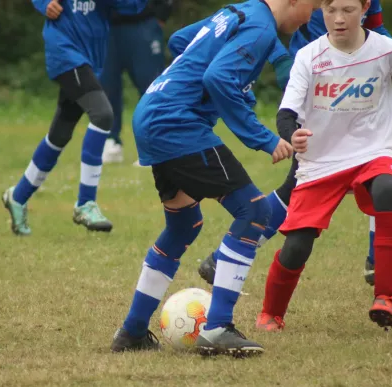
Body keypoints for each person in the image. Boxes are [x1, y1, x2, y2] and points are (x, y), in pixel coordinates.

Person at [110, 0, 319, 356]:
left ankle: (131, 332)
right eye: (313, 7)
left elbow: (180, 41)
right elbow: (218, 77)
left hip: (152, 112)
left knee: (183, 225)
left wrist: (216, 86)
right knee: (254, 212)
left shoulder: (240, 10)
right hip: (177, 123)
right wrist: (265, 139)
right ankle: (218, 327)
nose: (312, 16)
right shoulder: (261, 26)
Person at [198, 0, 392, 287]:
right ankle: (225, 256)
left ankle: (381, 260)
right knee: (297, 186)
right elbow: (269, 18)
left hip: (354, 77)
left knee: (388, 159)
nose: (339, 17)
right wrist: (281, 59)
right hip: (317, 77)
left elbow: (373, 26)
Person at [254, 0, 392, 332]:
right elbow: (286, 113)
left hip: (376, 149)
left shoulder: (387, 50)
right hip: (322, 161)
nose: (339, 19)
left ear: (365, 8)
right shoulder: (308, 56)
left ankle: (385, 297)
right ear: (320, 12)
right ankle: (270, 314)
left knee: (386, 190)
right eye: (331, 11)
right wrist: (292, 134)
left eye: (348, 10)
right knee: (297, 245)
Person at [2, 0, 148, 235]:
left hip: (91, 56)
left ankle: (17, 197)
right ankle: (85, 203)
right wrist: (44, 3)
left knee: (60, 133)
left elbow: (132, 6)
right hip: (65, 50)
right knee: (102, 114)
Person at [101, 0, 175, 164]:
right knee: (107, 85)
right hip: (106, 26)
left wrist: (162, 13)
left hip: (143, 22)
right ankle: (111, 140)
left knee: (151, 86)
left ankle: (157, 145)